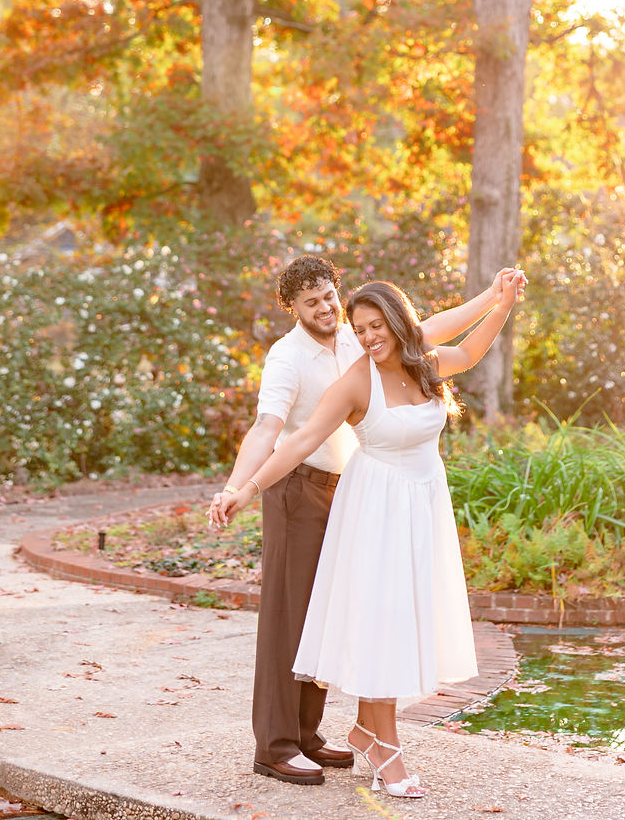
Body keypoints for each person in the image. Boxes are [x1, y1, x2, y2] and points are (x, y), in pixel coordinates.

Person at [206, 254, 522, 787]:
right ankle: (278, 745)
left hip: (361, 492)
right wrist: (242, 485)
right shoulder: (290, 358)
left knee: (337, 609)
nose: (327, 308)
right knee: (293, 614)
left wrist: (496, 298)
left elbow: (438, 331)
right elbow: (275, 431)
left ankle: (313, 735)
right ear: (294, 308)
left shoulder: (363, 337)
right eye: (313, 303)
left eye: (330, 296)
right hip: (298, 486)